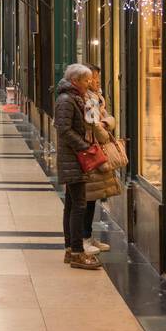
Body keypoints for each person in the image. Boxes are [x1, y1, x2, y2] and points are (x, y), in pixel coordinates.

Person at [54, 64, 104, 270]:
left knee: (72, 205)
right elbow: (64, 129)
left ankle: (70, 250)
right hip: (73, 158)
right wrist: (85, 147)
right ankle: (76, 252)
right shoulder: (66, 100)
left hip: (74, 157)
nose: (89, 83)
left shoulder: (74, 98)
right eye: (86, 80)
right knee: (79, 206)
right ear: (75, 81)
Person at [82, 65, 116, 253]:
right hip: (91, 152)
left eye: (98, 78)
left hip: (95, 151)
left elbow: (108, 119)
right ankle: (84, 238)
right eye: (94, 78)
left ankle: (88, 236)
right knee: (87, 198)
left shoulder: (97, 98)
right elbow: (94, 126)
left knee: (92, 198)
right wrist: (104, 128)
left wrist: (106, 122)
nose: (97, 82)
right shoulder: (88, 99)